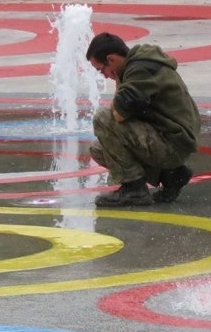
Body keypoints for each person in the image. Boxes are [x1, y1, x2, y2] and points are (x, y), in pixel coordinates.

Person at [85, 32, 201, 207]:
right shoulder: (137, 65)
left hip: (173, 143)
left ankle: (134, 190)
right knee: (99, 150)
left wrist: (118, 81)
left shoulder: (141, 70)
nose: (104, 75)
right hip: (171, 139)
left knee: (102, 118)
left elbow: (117, 114)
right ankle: (170, 175)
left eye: (101, 69)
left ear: (111, 59)